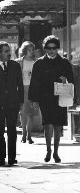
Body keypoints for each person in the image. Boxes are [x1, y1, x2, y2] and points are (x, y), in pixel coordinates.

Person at [29, 35, 74, 163]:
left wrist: (66, 80)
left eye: (54, 48)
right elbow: (34, 83)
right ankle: (48, 150)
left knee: (58, 125)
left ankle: (56, 152)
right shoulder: (39, 63)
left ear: (58, 48)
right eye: (48, 48)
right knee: (47, 123)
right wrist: (33, 100)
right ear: (45, 49)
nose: (51, 50)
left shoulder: (64, 62)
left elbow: (72, 80)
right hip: (45, 97)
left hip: (60, 97)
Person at [16, 41, 38, 144]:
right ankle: (24, 134)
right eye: (29, 50)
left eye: (32, 50)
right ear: (24, 51)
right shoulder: (19, 61)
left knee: (32, 113)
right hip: (22, 88)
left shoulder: (37, 61)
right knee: (23, 112)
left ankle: (29, 135)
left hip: (33, 88)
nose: (31, 52)